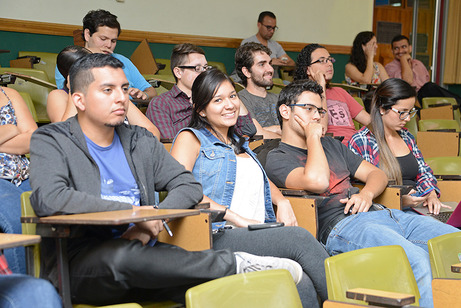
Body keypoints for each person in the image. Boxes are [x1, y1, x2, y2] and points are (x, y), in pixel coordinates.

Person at [29, 53, 303, 305]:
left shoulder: (140, 141)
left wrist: (155, 217)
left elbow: (187, 185)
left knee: (220, 292)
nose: (121, 98)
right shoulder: (52, 140)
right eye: (107, 90)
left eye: (124, 89)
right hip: (80, 265)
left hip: (147, 255)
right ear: (79, 100)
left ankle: (234, 271)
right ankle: (232, 263)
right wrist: (135, 214)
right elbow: (50, 198)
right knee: (125, 257)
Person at [265, 79, 459, 308]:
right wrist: (313, 137)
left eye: (319, 110)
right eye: (308, 109)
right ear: (285, 111)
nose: (316, 116)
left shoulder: (334, 146)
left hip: (383, 213)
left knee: (455, 245)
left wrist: (366, 194)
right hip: (342, 226)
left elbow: (377, 174)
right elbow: (317, 181)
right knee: (417, 261)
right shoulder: (277, 157)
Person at [170, 68, 328, 307]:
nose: (229, 105)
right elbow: (181, 188)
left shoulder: (240, 144)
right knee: (298, 238)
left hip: (253, 232)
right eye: (218, 100)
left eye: (232, 96)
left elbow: (262, 180)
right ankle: (347, 302)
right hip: (216, 234)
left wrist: (282, 201)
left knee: (302, 280)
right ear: (201, 109)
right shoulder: (190, 138)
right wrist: (236, 217)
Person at [348, 78, 449, 214]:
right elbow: (361, 188)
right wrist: (399, 200)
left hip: (417, 206)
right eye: (402, 112)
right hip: (385, 212)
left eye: (410, 112)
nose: (407, 118)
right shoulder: (362, 141)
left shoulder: (406, 136)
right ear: (382, 108)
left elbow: (423, 171)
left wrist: (430, 194)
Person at [146, 43, 255, 139]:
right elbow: (170, 144)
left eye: (206, 68)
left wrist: (230, 93)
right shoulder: (161, 103)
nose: (204, 73)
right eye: (197, 68)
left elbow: (248, 131)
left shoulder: (216, 98)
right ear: (178, 72)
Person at [47, 45, 160, 138]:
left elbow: (152, 132)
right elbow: (65, 137)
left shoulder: (116, 96)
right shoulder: (59, 96)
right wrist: (75, 87)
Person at [54, 9, 156, 100]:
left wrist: (143, 95)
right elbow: (70, 96)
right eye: (103, 39)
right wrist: (95, 57)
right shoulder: (70, 60)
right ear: (87, 34)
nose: (108, 45)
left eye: (113, 41)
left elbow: (151, 92)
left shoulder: (123, 60)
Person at [294, 43, 371, 144]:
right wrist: (321, 87)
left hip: (356, 145)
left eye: (330, 59)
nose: (330, 64)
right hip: (330, 147)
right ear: (308, 70)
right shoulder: (302, 96)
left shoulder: (340, 92)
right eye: (322, 61)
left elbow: (371, 122)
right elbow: (321, 129)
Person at [0, 86, 37, 274]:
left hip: (26, 175)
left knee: (58, 213)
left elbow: (33, 140)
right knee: (18, 221)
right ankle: (24, 289)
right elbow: (22, 133)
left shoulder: (9, 94)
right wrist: (11, 129)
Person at [385, 35, 461, 106]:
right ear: (392, 51)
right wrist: (403, 60)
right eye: (396, 48)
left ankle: (457, 103)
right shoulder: (389, 67)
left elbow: (427, 81)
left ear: (410, 48)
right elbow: (407, 82)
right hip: (408, 99)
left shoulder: (418, 64)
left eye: (403, 47)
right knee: (429, 87)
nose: (400, 51)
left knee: (430, 87)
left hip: (427, 98)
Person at [235, 42, 282, 139]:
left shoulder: (279, 98)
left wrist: (267, 130)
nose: (270, 69)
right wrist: (279, 131)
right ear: (247, 72)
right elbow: (256, 133)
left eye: (270, 63)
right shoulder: (240, 99)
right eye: (261, 64)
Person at [231, 11, 295, 81]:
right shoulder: (247, 43)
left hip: (274, 82)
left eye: (274, 28)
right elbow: (245, 66)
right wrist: (270, 62)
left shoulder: (276, 45)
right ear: (259, 25)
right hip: (255, 81)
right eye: (268, 27)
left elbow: (292, 63)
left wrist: (281, 63)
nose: (272, 31)